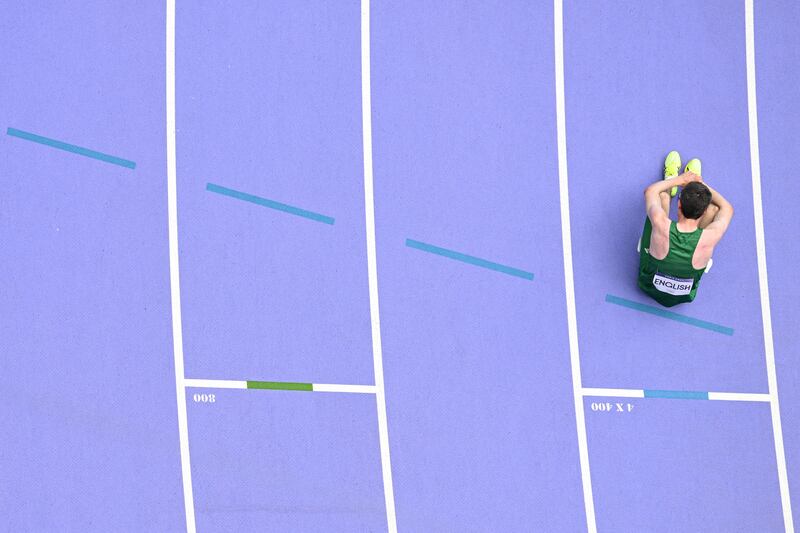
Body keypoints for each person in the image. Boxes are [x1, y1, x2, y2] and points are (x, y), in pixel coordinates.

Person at [637, 151, 734, 307]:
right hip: (684, 296)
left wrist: (680, 179)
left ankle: (670, 183)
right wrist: (700, 184)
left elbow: (650, 191)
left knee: (661, 197)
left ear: (679, 204)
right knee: (714, 210)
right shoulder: (711, 237)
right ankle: (695, 190)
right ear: (701, 212)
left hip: (648, 285)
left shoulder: (662, 224)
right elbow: (727, 208)